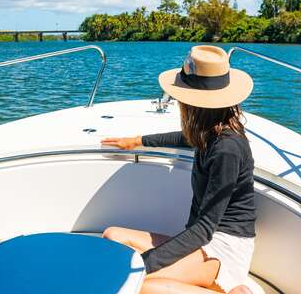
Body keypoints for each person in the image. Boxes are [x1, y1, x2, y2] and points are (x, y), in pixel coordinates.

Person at [101, 45, 258, 294]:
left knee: (141, 285)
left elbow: (205, 229)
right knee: (112, 237)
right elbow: (186, 137)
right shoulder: (211, 130)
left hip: (223, 246)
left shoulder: (227, 149)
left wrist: (145, 263)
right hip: (202, 237)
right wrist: (138, 140)